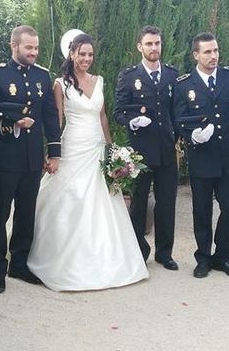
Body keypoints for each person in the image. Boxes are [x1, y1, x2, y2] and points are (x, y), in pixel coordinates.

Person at [27, 32, 149, 290]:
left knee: (104, 200)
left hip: (96, 147)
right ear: (71, 54)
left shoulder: (100, 80)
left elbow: (103, 116)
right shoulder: (61, 84)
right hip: (73, 146)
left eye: (90, 54)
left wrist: (111, 149)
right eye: (81, 54)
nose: (86, 58)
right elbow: (57, 119)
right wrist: (53, 152)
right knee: (71, 197)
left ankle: (107, 259)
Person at [0, 25, 62, 293]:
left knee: (26, 213)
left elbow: (50, 115)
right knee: (0, 213)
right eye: (28, 47)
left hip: (31, 158)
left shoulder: (41, 76)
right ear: (14, 46)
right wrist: (14, 122)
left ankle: (19, 264)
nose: (34, 52)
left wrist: (54, 151)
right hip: (4, 158)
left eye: (36, 48)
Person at [173, 32, 229, 279]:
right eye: (207, 52)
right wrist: (193, 136)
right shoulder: (184, 85)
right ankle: (203, 257)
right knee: (201, 210)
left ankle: (222, 255)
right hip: (202, 158)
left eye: (215, 50)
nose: (213, 56)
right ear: (196, 55)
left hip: (228, 158)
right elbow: (179, 119)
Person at [113, 25, 179, 270]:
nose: (154, 48)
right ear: (139, 47)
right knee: (139, 203)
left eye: (157, 43)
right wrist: (132, 120)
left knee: (166, 203)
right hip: (140, 151)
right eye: (149, 44)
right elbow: (118, 112)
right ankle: (139, 250)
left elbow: (178, 112)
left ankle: (165, 253)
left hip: (167, 149)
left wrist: (179, 135)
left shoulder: (173, 75)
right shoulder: (129, 77)